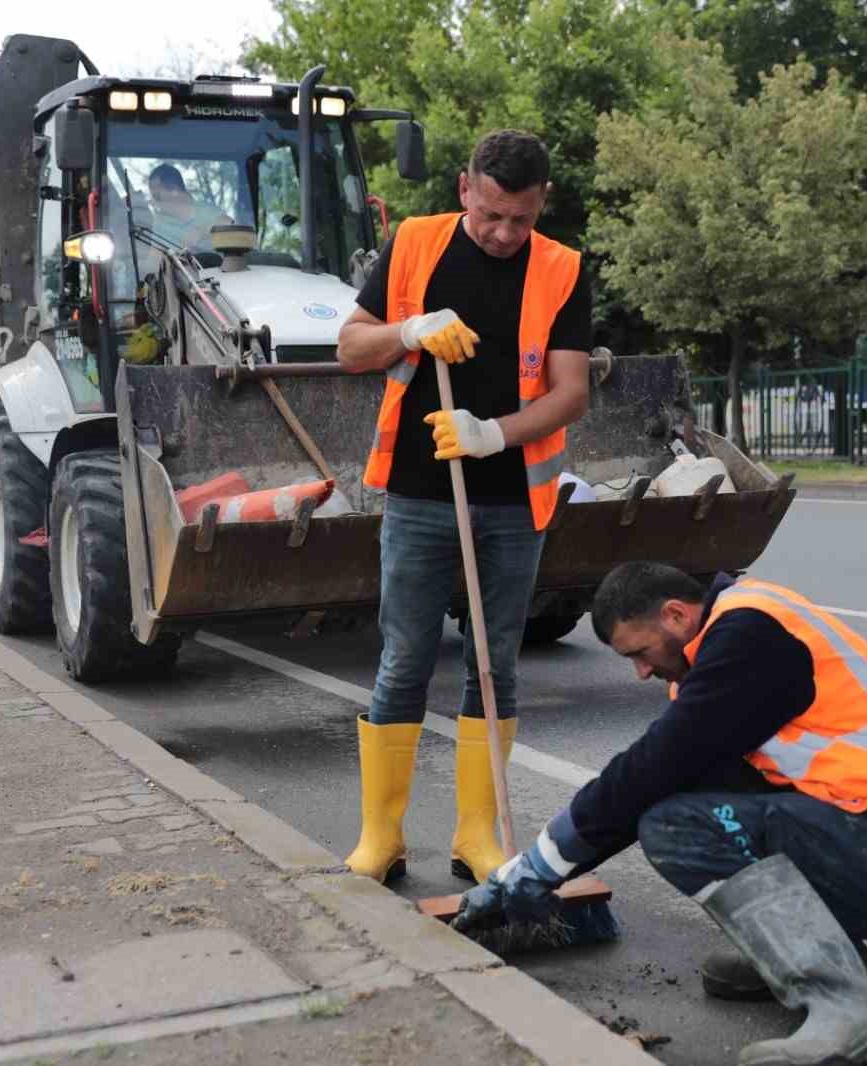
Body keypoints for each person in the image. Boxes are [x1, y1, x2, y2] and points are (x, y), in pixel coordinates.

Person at [455, 562, 867, 1066]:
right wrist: (535, 872)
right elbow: (660, 781)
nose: (641, 672)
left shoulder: (750, 635)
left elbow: (651, 767)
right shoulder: (731, 646)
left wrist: (537, 867)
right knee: (683, 804)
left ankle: (850, 1010)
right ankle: (828, 951)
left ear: (677, 615)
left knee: (676, 827)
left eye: (639, 652)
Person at [335, 129, 593, 886]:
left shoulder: (564, 268)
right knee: (404, 659)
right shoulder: (413, 244)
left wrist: (492, 436)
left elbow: (571, 391)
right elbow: (351, 347)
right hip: (419, 494)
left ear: (541, 203)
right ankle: (381, 838)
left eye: (522, 218)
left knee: (494, 665)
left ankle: (477, 837)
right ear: (464, 191)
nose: (506, 233)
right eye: (491, 216)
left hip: (514, 499)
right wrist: (407, 330)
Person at [145, 164, 234, 252]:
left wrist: (200, 232)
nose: (153, 202)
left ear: (174, 190)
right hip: (178, 266)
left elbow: (229, 224)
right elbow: (154, 259)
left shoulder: (205, 210)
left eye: (157, 196)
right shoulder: (160, 223)